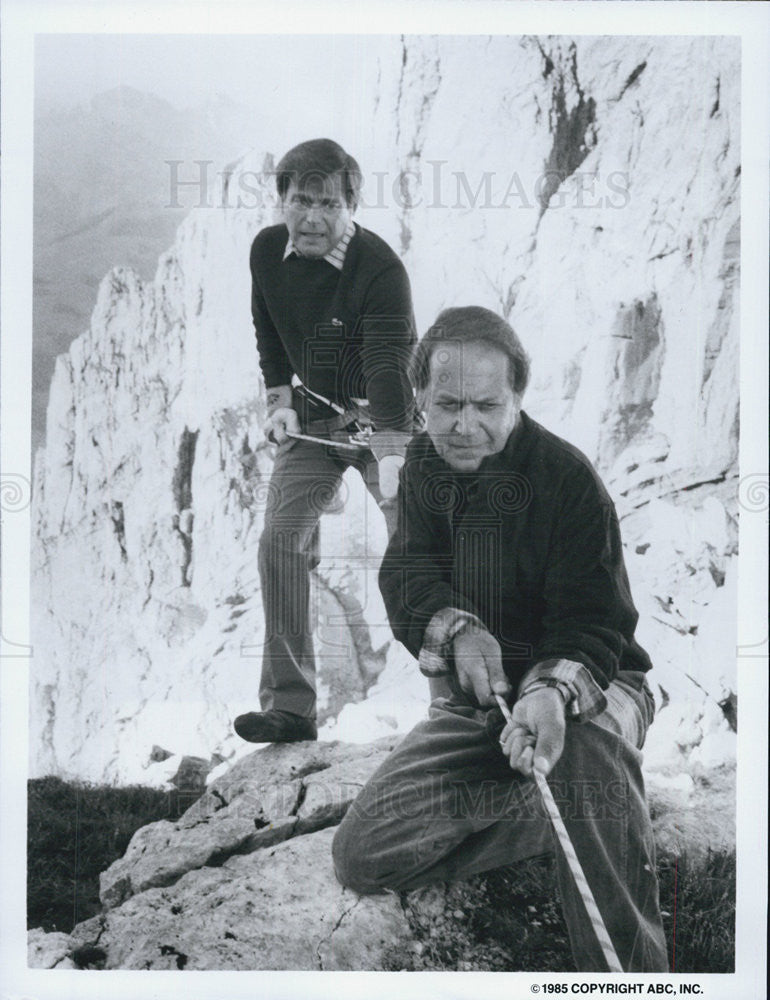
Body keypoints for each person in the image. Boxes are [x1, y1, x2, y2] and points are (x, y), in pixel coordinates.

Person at [332, 306, 669, 972]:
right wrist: (454, 630)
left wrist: (548, 693)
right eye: (448, 404)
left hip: (593, 683)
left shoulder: (568, 481)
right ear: (421, 399)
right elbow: (408, 576)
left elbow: (593, 622)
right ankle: (563, 814)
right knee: (364, 852)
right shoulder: (425, 467)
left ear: (518, 396)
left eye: (488, 405)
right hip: (484, 702)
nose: (467, 424)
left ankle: (633, 979)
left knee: (580, 760)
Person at [234, 139, 417, 745]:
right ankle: (290, 707)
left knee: (421, 539)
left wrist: (392, 452)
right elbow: (268, 327)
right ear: (281, 198)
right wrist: (279, 400)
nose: (312, 216)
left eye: (328, 204)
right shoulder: (267, 250)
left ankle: (465, 694)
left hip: (381, 420)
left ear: (351, 204)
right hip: (312, 420)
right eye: (300, 200)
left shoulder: (380, 270)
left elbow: (390, 364)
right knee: (279, 542)